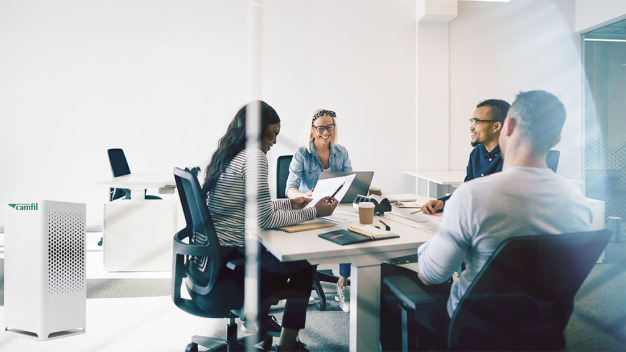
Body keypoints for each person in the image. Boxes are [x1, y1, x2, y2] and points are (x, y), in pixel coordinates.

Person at [381, 90, 593, 350]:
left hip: (473, 332)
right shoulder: (579, 202)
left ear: (507, 127)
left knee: (386, 276)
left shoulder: (472, 197)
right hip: (544, 333)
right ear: (557, 138)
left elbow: (431, 275)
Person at [201, 101, 338, 352]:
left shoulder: (231, 155)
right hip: (233, 262)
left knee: (288, 257)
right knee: (305, 263)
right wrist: (314, 212)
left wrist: (291, 204)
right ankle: (287, 344)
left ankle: (261, 322)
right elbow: (264, 220)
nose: (275, 140)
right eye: (273, 133)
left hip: (212, 261)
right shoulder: (254, 158)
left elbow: (255, 207)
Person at [285, 108, 353, 312]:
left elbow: (350, 181)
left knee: (351, 233)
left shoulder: (341, 152)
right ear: (312, 129)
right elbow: (289, 188)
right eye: (321, 128)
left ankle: (342, 282)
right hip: (311, 209)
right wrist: (302, 196)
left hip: (335, 208)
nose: (326, 132)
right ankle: (304, 284)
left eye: (329, 127)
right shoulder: (302, 154)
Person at [421, 99, 510, 214]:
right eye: (471, 122)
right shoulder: (476, 153)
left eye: (476, 122)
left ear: (496, 126)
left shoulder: (515, 157)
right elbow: (468, 192)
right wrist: (442, 203)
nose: (471, 127)